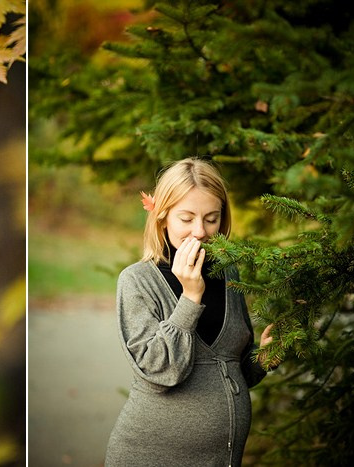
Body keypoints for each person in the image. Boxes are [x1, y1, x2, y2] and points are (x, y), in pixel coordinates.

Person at [105, 158, 276, 466]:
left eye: (211, 219)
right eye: (186, 218)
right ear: (162, 217)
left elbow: (229, 369)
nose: (200, 231)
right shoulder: (136, 281)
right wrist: (190, 298)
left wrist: (262, 358)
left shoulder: (228, 272)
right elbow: (160, 372)